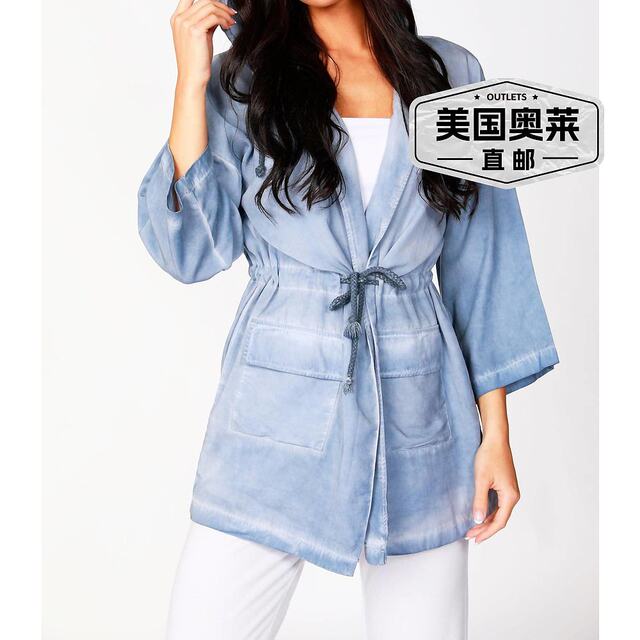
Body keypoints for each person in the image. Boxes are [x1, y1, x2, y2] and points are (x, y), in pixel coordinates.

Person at [137, 1, 559, 638]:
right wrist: (192, 82)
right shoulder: (244, 81)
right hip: (273, 413)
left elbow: (486, 260)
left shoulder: (451, 74)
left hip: (422, 415)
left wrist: (494, 434)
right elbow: (190, 249)